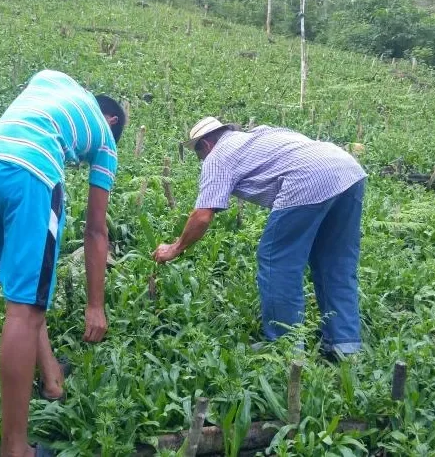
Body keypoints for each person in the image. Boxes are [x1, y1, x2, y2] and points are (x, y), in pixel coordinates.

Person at [0, 69, 124, 457]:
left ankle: (51, 377)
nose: (81, 163)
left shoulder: (50, 80)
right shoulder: (105, 140)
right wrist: (95, 304)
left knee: (23, 297)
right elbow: (96, 230)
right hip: (29, 175)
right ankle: (16, 449)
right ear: (113, 120)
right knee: (24, 311)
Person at [152, 117, 367, 362]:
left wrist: (175, 248)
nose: (200, 159)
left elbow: (202, 216)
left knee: (277, 259)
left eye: (198, 153)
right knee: (335, 261)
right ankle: (345, 345)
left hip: (308, 177)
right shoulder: (257, 136)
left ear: (206, 145)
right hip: (348, 168)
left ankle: (285, 346)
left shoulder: (217, 156)